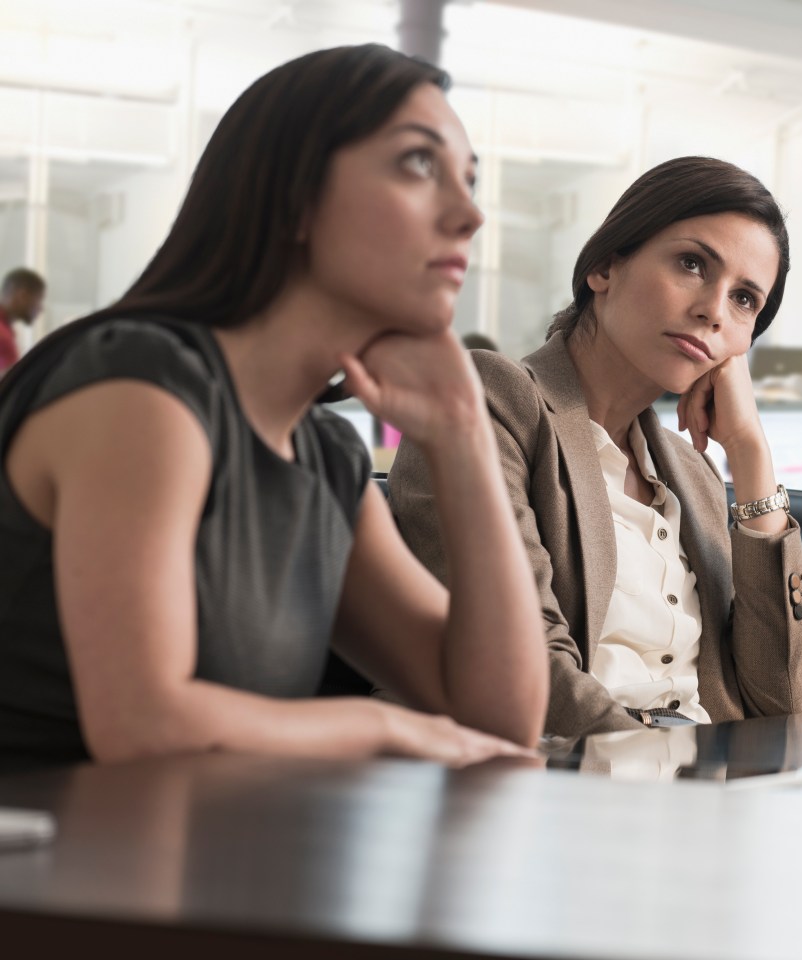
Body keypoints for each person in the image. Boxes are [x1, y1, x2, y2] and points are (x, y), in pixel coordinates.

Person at [0, 44, 548, 768]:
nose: (470, 214)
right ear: (292, 197)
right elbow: (142, 724)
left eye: (470, 179)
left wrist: (464, 435)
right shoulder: (143, 387)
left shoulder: (324, 454)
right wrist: (386, 727)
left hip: (193, 866)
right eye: (419, 164)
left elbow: (501, 720)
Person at [390, 156, 802, 736]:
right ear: (603, 267)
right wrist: (652, 765)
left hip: (703, 793)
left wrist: (748, 452)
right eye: (692, 264)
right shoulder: (492, 401)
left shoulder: (691, 477)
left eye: (746, 299)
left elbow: (789, 703)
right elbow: (519, 659)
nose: (714, 311)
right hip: (560, 784)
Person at [0, 268, 45, 378]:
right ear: (23, 296)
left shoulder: (6, 330)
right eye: (39, 299)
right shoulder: (3, 335)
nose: (40, 308)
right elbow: (10, 386)